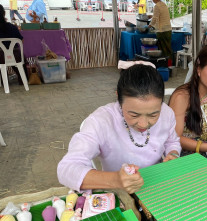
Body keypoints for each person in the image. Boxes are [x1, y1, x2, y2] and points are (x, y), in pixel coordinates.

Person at [57, 63, 181, 193]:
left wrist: (173, 153)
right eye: (134, 115)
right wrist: (115, 180)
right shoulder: (101, 121)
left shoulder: (167, 113)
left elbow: (172, 141)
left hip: (156, 184)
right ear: (118, 99)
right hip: (118, 192)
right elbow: (66, 169)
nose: (143, 124)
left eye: (153, 115)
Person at [0, 4, 26, 85]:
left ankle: (3, 82)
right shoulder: (13, 27)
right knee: (18, 56)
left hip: (0, 57)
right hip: (16, 56)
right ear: (4, 13)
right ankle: (23, 80)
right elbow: (21, 41)